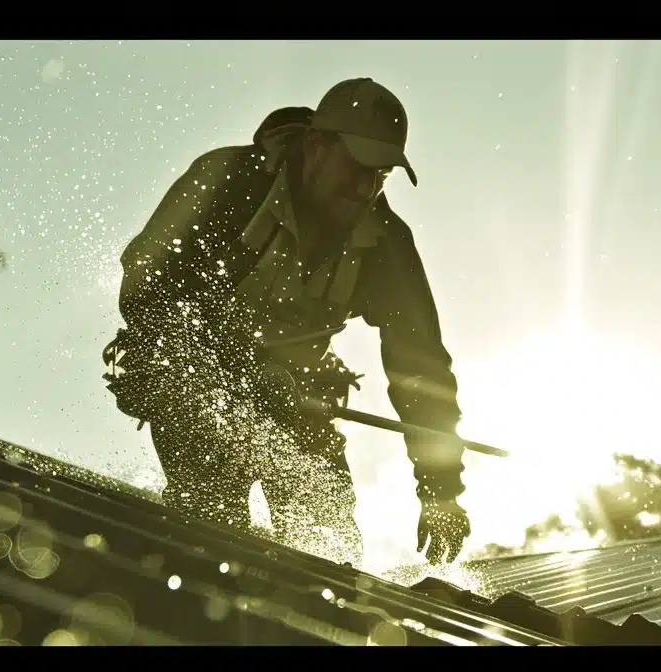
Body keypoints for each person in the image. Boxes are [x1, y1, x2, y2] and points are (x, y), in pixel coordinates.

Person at [102, 78, 471, 566]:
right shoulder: (227, 179)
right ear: (317, 145)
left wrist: (440, 491)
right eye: (357, 167)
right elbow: (145, 287)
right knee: (213, 537)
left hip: (298, 391)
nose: (366, 187)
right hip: (190, 378)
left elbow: (421, 368)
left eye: (380, 173)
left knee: (328, 544)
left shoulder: (387, 244)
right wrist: (230, 369)